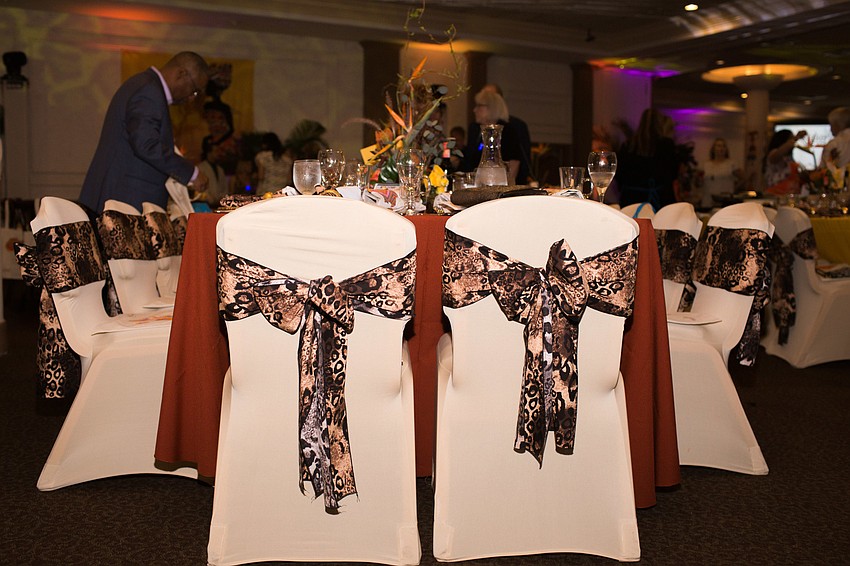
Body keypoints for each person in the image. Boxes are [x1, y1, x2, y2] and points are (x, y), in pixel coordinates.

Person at [79, 52, 210, 213]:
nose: (191, 98)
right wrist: (192, 173)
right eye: (195, 90)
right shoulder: (149, 91)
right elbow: (146, 144)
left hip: (123, 195)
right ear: (181, 74)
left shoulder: (144, 84)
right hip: (124, 199)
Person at [462, 89, 526, 185]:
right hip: (479, 184)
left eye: (479, 106)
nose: (474, 110)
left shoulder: (507, 131)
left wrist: (506, 188)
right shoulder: (475, 129)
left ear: (492, 108)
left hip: (498, 183)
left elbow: (514, 163)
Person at [617, 108, 678, 209]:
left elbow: (619, 174)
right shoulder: (666, 145)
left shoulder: (628, 145)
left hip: (631, 200)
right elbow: (671, 174)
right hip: (658, 201)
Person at [700, 137, 743, 209]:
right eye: (719, 146)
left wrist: (733, 190)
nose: (721, 148)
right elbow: (699, 181)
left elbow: (742, 178)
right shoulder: (706, 164)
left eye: (723, 146)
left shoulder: (731, 164)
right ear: (713, 149)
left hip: (725, 202)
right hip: (708, 201)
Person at [764, 129, 806, 195]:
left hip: (788, 194)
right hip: (774, 194)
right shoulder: (773, 154)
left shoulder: (789, 158)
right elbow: (777, 155)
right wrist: (796, 138)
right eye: (790, 139)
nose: (792, 143)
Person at [196, 138, 229, 208]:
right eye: (216, 151)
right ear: (209, 152)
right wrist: (211, 199)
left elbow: (224, 188)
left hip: (220, 204)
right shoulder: (201, 168)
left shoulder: (220, 170)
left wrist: (221, 198)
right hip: (206, 205)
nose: (219, 153)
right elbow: (201, 189)